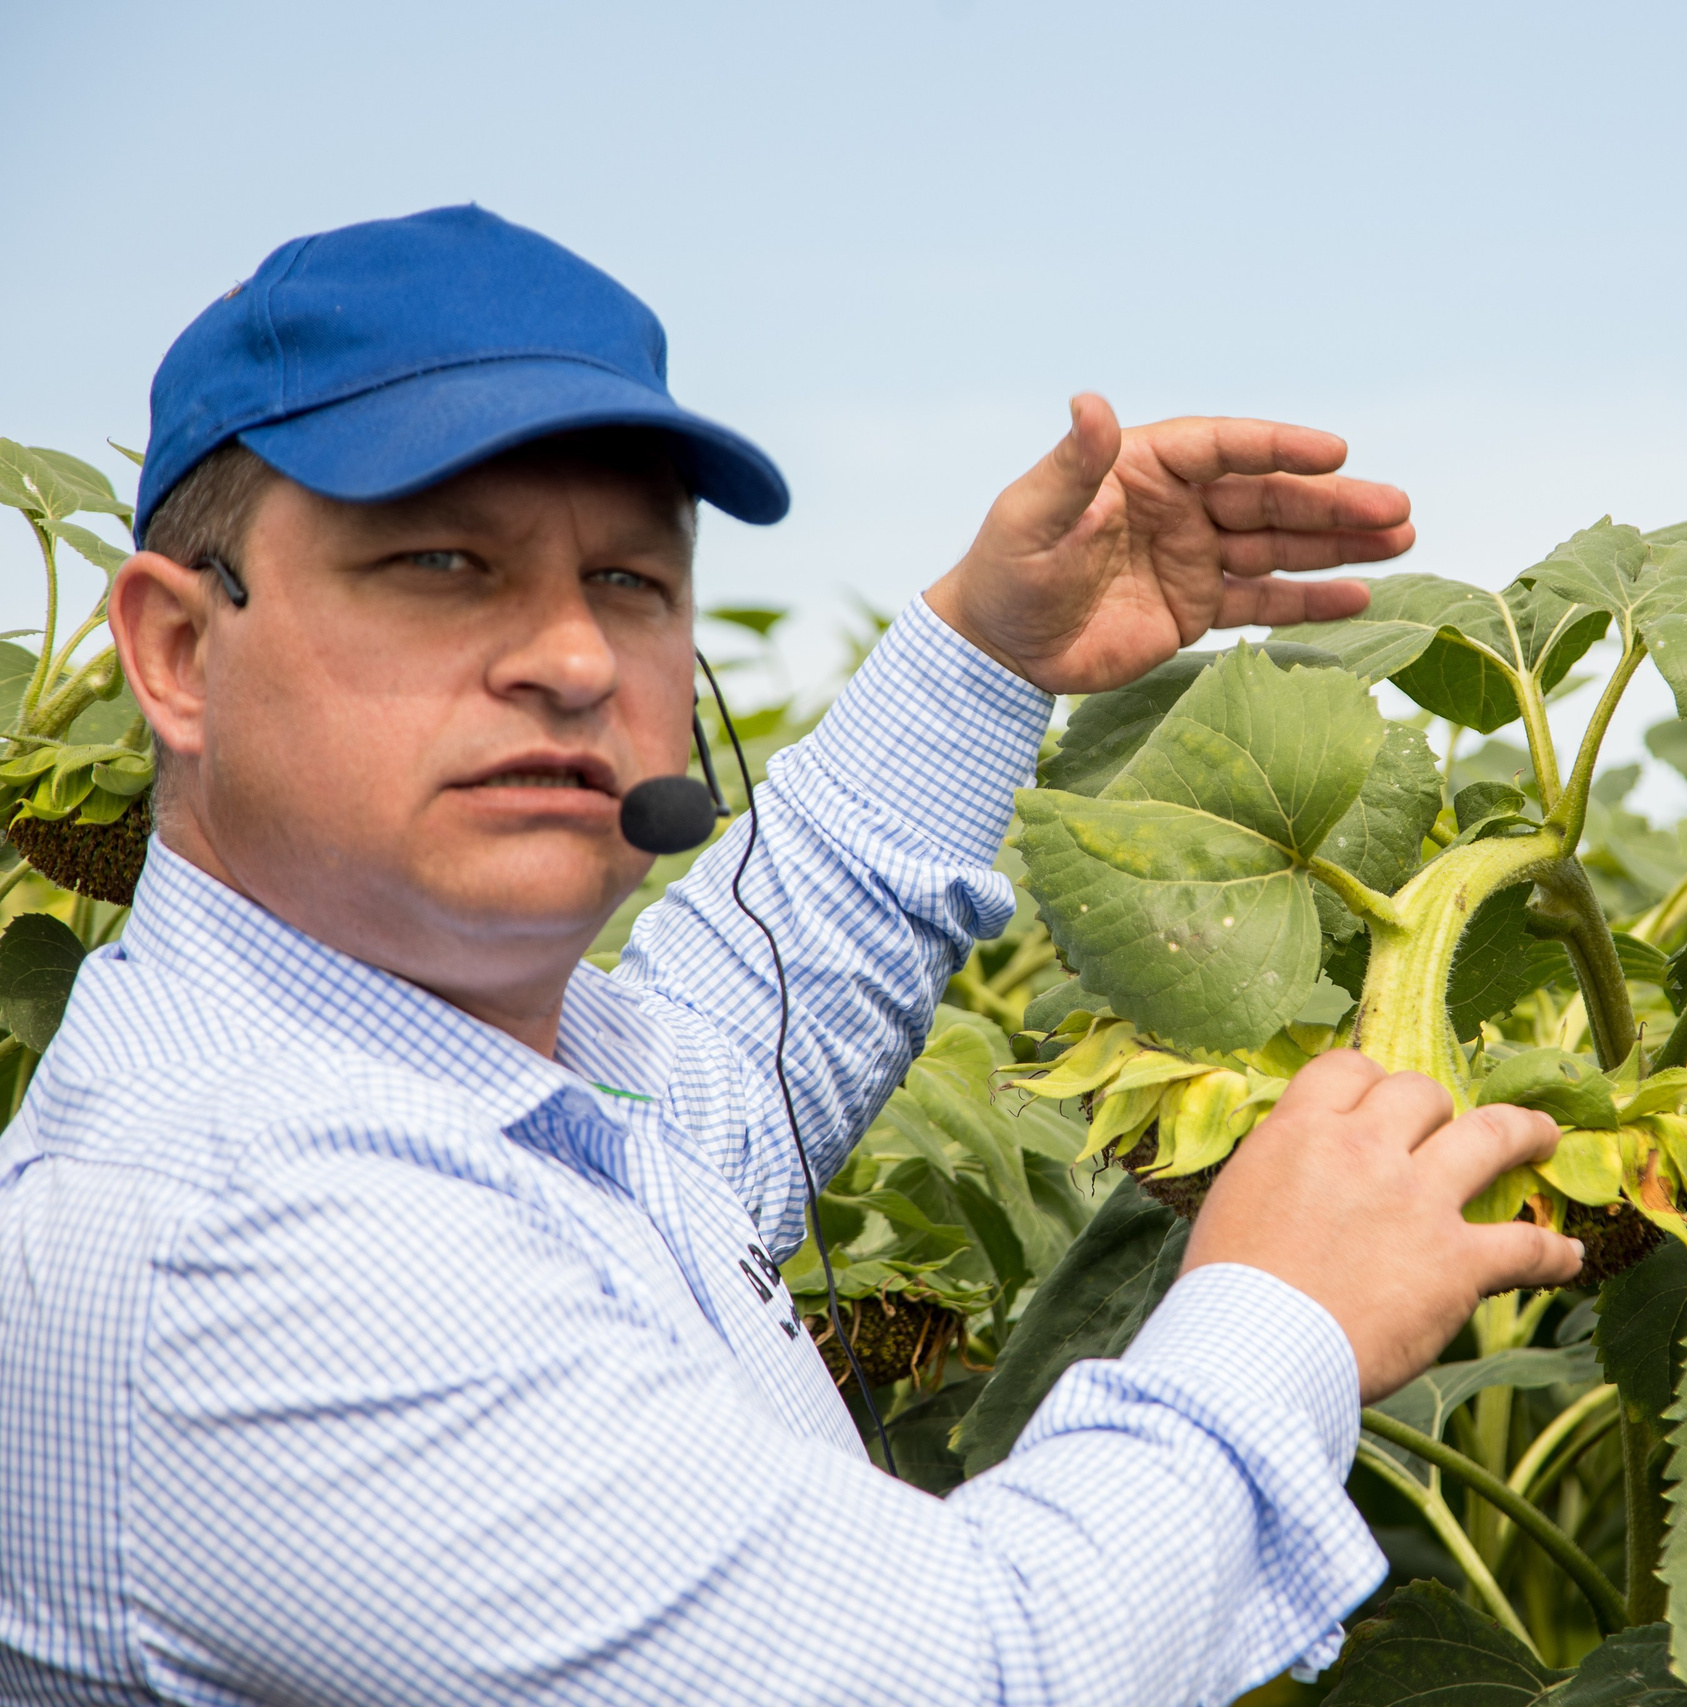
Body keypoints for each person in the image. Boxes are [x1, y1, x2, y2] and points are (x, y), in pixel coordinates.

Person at [0, 204, 1581, 1706]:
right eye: (442, 565)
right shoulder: (256, 1254)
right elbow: (987, 1679)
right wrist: (1282, 1306)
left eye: (627, 581)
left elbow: (722, 1066)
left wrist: (986, 648)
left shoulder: (466, 1076)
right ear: (178, 650)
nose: (566, 658)